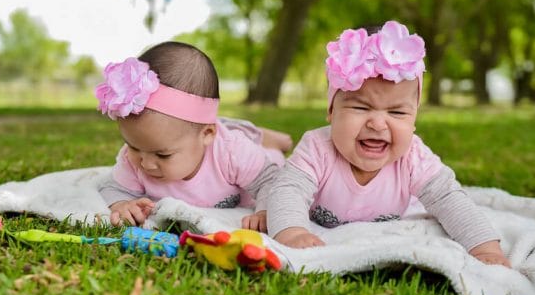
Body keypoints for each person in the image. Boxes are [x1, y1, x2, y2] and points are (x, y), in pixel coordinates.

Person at [265, 21, 510, 267]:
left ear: (414, 117)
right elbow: (288, 190)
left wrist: (485, 248)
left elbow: (449, 199)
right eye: (361, 107)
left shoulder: (413, 157)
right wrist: (293, 232)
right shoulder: (318, 147)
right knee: (274, 173)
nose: (378, 124)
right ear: (331, 110)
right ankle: (267, 142)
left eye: (397, 113)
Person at [96, 41, 291, 228]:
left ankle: (267, 139)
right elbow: (113, 187)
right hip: (205, 134)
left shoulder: (231, 152)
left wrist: (265, 211)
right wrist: (121, 204)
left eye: (162, 155)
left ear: (206, 134)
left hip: (254, 150)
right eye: (133, 146)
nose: (145, 163)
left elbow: (270, 180)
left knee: (260, 147)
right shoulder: (135, 158)